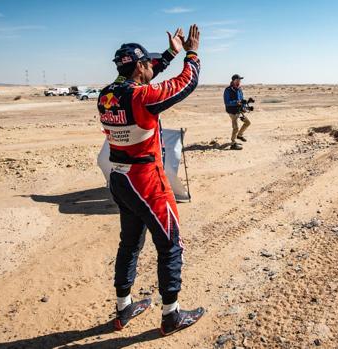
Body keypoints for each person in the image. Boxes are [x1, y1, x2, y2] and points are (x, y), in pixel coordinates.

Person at [97, 24, 204, 336]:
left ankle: (123, 307)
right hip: (146, 180)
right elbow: (187, 82)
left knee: (129, 243)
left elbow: (140, 75)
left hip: (120, 178)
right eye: (148, 64)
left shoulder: (107, 95)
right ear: (140, 67)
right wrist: (191, 53)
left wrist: (170, 53)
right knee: (170, 243)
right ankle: (171, 315)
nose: (151, 69)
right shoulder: (143, 97)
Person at [223, 74, 251, 150]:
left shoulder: (239, 89)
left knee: (247, 122)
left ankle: (239, 135)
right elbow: (227, 102)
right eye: (238, 80)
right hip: (232, 112)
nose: (239, 81)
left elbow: (242, 100)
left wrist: (245, 107)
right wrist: (237, 102)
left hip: (239, 110)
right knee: (235, 128)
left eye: (240, 80)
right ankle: (233, 144)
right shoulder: (228, 90)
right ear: (233, 80)